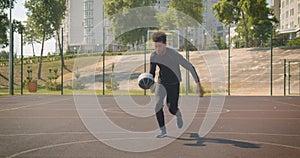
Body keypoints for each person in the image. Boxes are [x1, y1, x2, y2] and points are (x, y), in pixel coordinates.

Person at [149, 31, 204, 138]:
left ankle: (178, 114)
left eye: (160, 46)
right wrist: (150, 84)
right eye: (156, 46)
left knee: (171, 108)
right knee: (157, 105)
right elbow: (151, 73)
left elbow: (190, 67)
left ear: (165, 44)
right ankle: (163, 130)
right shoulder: (154, 56)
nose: (158, 49)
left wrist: (198, 84)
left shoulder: (173, 54)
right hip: (162, 83)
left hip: (174, 83)